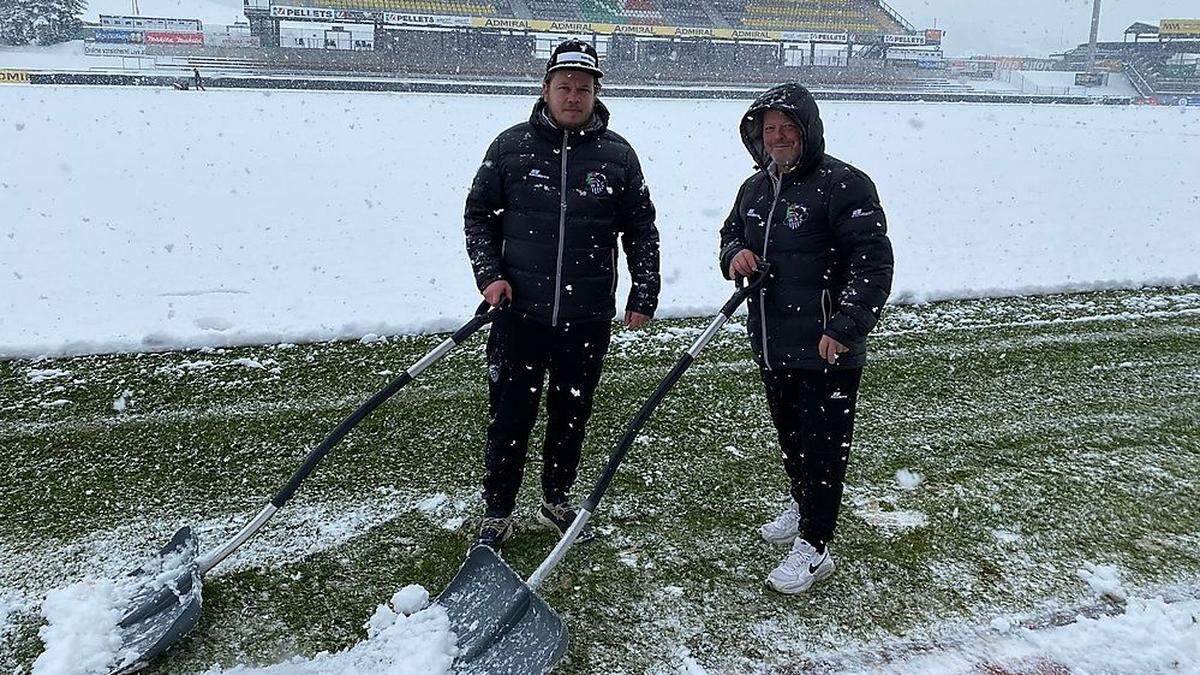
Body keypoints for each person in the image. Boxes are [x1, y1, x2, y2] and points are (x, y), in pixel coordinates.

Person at [464, 39, 661, 550]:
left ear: (596, 94)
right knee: (510, 413)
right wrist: (490, 277)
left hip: (587, 313)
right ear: (546, 89)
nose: (573, 96)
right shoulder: (510, 148)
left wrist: (644, 289)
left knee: (572, 410)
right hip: (519, 311)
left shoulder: (617, 155)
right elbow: (479, 217)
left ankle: (556, 498)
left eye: (583, 89)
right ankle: (499, 509)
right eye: (564, 87)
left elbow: (641, 227)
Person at [718, 82, 894, 593]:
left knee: (823, 447)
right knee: (791, 436)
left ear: (808, 130)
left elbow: (873, 262)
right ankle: (802, 504)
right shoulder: (755, 189)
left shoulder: (845, 185)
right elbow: (731, 234)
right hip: (773, 340)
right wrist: (735, 256)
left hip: (826, 346)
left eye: (787, 127)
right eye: (768, 129)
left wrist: (845, 326)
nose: (777, 137)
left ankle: (816, 546)